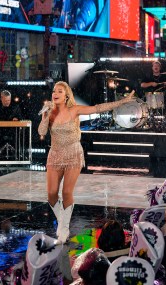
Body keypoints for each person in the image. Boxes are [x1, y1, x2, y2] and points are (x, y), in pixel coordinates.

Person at [38, 81, 134, 243]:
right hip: (55, 154)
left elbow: (98, 108)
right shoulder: (50, 111)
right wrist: (45, 116)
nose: (55, 93)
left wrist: (122, 102)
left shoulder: (74, 110)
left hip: (73, 153)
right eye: (54, 91)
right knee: (52, 194)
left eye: (60, 91)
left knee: (67, 193)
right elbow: (41, 131)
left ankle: (64, 228)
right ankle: (62, 221)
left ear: (66, 95)